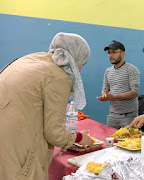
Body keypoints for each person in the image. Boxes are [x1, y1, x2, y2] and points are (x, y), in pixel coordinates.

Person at [0, 32, 94, 179]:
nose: (80, 70)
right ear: (75, 59)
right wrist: (79, 137)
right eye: (81, 63)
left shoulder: (33, 59)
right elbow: (54, 133)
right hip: (17, 145)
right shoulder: (58, 77)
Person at [96, 40, 140, 129]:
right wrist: (104, 95)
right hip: (112, 116)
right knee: (111, 141)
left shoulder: (132, 70)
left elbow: (134, 92)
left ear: (123, 53)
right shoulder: (108, 71)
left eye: (114, 52)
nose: (110, 55)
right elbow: (104, 90)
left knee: (129, 142)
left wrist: (114, 97)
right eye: (109, 53)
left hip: (128, 117)